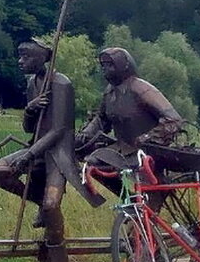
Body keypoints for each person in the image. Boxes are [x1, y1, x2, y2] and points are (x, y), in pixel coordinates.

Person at [0, 39, 106, 262]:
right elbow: (32, 128)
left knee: (52, 205)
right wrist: (29, 110)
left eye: (26, 56)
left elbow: (60, 129)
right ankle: (39, 200)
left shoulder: (61, 83)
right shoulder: (33, 84)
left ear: (42, 58)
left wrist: (29, 156)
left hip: (58, 156)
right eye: (19, 56)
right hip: (38, 149)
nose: (21, 61)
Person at [76, 47, 183, 191]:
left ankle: (145, 199)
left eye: (110, 64)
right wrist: (85, 134)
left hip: (149, 149)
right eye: (103, 65)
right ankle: (128, 198)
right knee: (93, 163)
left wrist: (149, 138)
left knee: (147, 186)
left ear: (124, 65)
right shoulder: (109, 92)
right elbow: (102, 119)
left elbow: (173, 119)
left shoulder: (141, 89)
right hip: (124, 148)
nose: (105, 69)